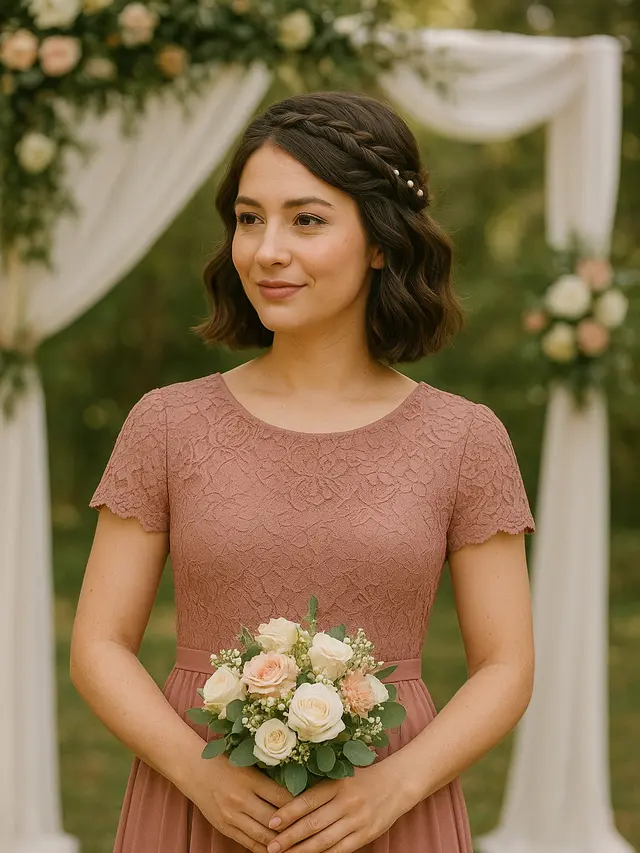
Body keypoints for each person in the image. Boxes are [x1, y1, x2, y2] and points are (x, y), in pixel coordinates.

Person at [70, 91, 536, 853]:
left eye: (306, 219)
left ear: (381, 241)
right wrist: (201, 775)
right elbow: (97, 645)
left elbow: (507, 664)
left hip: (386, 810)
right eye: (249, 218)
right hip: (196, 801)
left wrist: (395, 785)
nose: (265, 249)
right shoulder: (165, 422)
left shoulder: (465, 437)